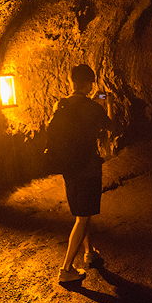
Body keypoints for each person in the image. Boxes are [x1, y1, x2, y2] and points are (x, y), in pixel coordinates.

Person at [55, 63, 113, 286]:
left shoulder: (60, 105)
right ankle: (66, 269)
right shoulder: (93, 108)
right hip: (88, 169)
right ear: (89, 85)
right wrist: (109, 104)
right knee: (82, 218)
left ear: (71, 81)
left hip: (69, 168)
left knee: (83, 212)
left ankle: (89, 253)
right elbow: (113, 127)